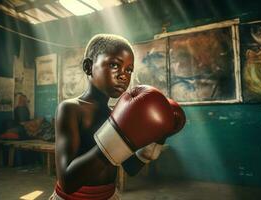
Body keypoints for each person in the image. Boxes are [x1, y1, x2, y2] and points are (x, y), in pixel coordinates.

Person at [50, 34, 186, 200]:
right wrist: (116, 137)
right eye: (114, 65)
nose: (123, 75)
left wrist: (160, 136)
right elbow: (67, 182)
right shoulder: (70, 109)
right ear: (88, 67)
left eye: (129, 70)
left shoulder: (115, 113)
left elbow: (131, 167)